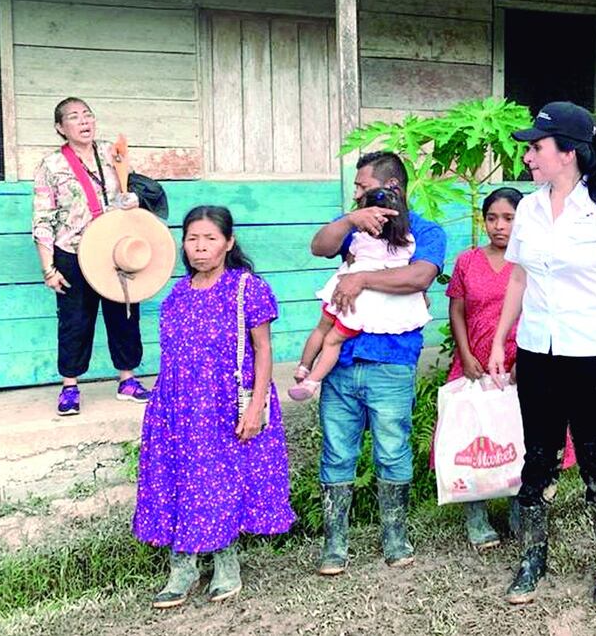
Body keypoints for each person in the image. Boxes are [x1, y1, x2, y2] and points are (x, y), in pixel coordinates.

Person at [488, 101, 596, 611]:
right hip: (539, 352)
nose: (530, 157)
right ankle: (533, 559)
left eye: (537, 147)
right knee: (538, 457)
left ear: (569, 153)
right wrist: (499, 341)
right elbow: (518, 278)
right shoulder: (529, 208)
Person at [132, 205, 295, 608]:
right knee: (180, 481)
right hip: (179, 406)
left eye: (209, 239)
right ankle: (182, 568)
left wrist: (256, 407)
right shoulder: (176, 295)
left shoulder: (246, 288)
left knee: (221, 482)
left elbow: (263, 349)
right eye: (192, 239)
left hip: (225, 404)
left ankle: (226, 563)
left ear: (228, 243)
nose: (200, 248)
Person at [308, 151, 446, 575]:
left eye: (362, 187)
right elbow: (319, 247)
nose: (356, 195)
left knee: (392, 450)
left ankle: (395, 535)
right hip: (342, 361)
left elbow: (420, 277)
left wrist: (361, 277)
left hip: (392, 362)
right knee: (336, 452)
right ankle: (335, 544)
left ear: (392, 189)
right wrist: (351, 220)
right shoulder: (357, 228)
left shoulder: (426, 230)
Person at [443, 186, 575, 551]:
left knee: (520, 437)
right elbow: (456, 310)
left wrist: (526, 362)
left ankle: (520, 508)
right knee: (474, 438)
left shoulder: (531, 261)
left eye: (508, 218)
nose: (499, 226)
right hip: (474, 363)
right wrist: (466, 354)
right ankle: (477, 517)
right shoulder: (467, 261)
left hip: (523, 362)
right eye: (491, 218)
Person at [31, 97, 148, 416]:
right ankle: (70, 386)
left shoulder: (114, 152)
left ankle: (127, 380)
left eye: (88, 115)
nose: (84, 121)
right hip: (73, 253)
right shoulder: (50, 165)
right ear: (60, 127)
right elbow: (43, 218)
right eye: (74, 117)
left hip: (116, 249)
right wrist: (48, 269)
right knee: (74, 321)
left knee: (124, 314)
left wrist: (134, 200)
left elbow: (133, 190)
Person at [288, 187, 431, 401]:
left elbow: (351, 261)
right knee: (333, 341)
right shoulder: (408, 243)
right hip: (364, 308)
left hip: (343, 296)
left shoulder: (360, 239)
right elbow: (412, 274)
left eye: (361, 188)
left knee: (322, 330)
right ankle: (311, 382)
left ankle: (305, 369)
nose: (355, 194)